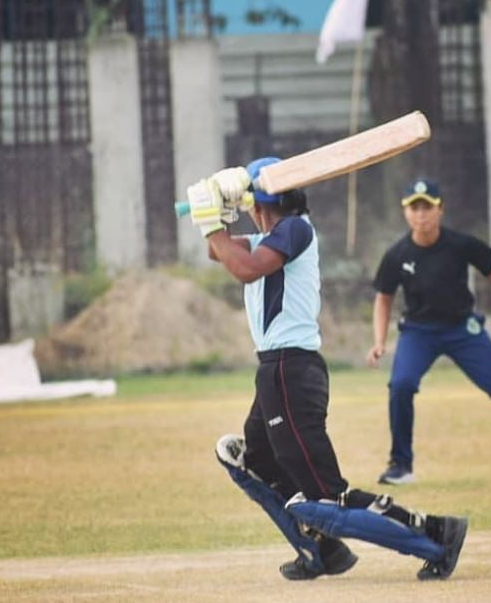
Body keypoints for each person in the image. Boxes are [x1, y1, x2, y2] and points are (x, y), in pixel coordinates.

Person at [185, 157, 469, 582]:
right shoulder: (269, 234)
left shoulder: (294, 228)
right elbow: (222, 251)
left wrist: (211, 217)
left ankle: (435, 535)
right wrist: (220, 212)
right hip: (275, 369)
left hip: (290, 369)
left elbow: (243, 268)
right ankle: (322, 550)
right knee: (256, 461)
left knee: (324, 495)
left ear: (262, 200)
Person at [367, 178, 491, 486]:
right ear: (406, 213)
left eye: (427, 207)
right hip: (419, 332)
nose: (421, 214)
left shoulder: (461, 244)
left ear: (441, 210)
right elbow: (383, 299)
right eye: (414, 208)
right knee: (401, 386)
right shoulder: (397, 254)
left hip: (463, 329)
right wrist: (379, 342)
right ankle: (401, 465)